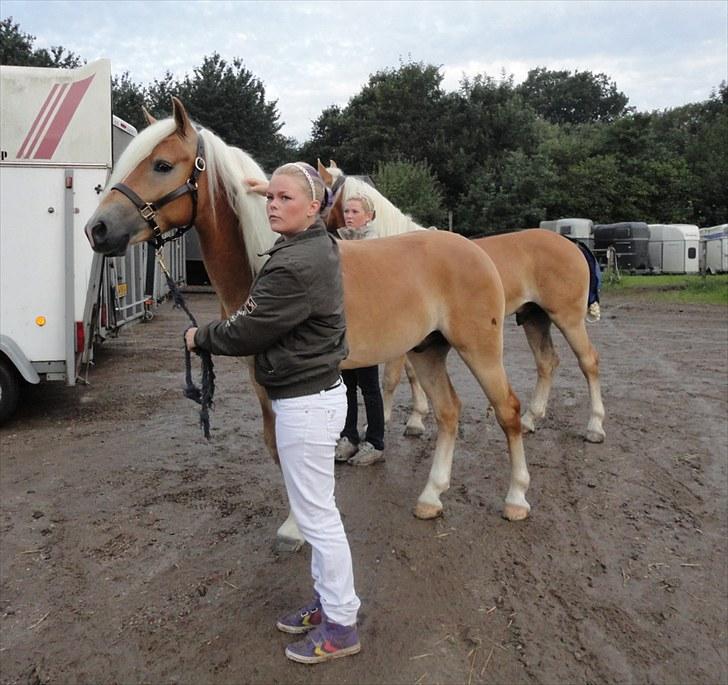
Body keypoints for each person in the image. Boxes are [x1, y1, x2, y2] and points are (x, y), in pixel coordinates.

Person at [184, 162, 361, 664]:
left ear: (313, 208)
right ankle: (330, 603)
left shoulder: (293, 264)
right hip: (312, 395)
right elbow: (309, 190)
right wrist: (267, 183)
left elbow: (247, 331)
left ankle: (342, 625)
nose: (273, 205)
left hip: (306, 404)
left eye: (286, 199)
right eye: (270, 198)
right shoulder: (310, 245)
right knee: (316, 511)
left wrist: (201, 337)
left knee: (318, 519)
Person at [334, 194, 386, 467]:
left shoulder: (375, 245)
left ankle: (376, 442)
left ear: (369, 216)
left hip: (367, 326)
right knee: (345, 385)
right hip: (344, 325)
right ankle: (349, 436)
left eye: (355, 211)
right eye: (346, 211)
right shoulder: (339, 242)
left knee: (369, 386)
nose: (349, 215)